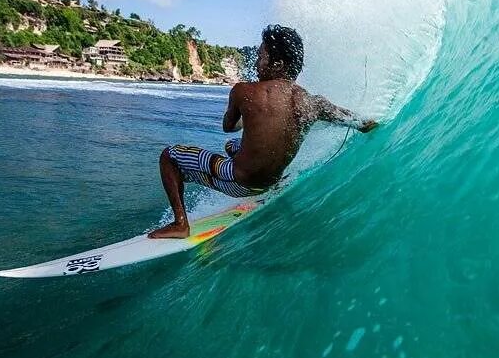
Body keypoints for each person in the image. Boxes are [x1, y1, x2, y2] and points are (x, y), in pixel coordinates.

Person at [149, 24, 377, 238]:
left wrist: (248, 115)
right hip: (268, 182)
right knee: (232, 147)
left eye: (261, 57)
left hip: (238, 182)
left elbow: (228, 127)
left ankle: (180, 223)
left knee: (170, 156)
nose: (257, 63)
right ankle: (272, 184)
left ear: (277, 64)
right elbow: (357, 122)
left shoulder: (244, 91)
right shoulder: (312, 103)